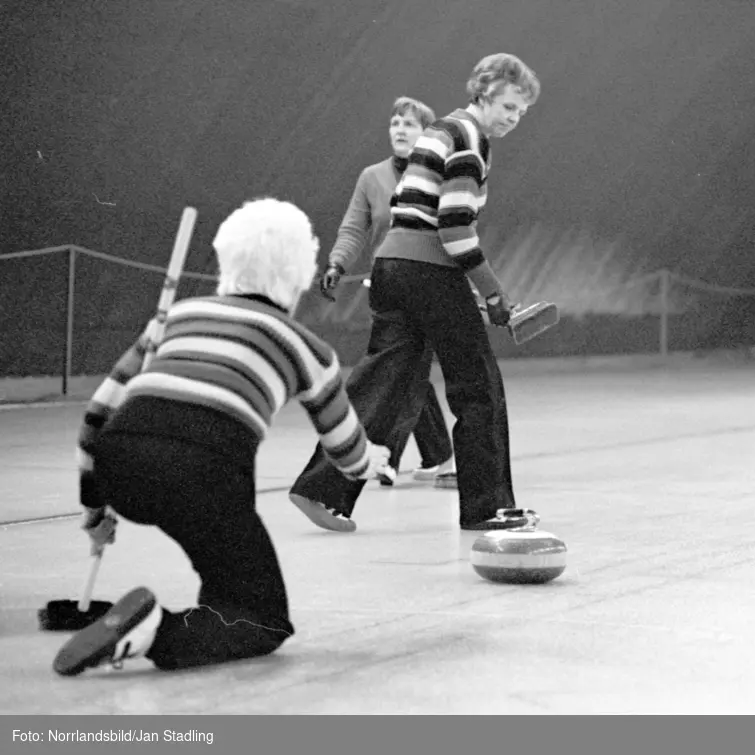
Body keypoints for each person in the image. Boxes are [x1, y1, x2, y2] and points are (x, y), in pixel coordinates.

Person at [52, 198, 393, 677]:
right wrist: (372, 461)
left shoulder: (176, 316)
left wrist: (95, 506)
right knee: (262, 619)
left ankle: (191, 618)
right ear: (299, 274)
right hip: (205, 475)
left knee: (226, 579)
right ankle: (151, 630)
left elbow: (96, 415)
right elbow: (346, 451)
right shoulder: (306, 348)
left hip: (121, 465)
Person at [289, 53, 541, 533]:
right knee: (478, 388)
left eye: (521, 112)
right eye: (509, 107)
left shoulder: (440, 131)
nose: (513, 119)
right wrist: (492, 292)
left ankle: (320, 489)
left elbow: (417, 214)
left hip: (391, 268)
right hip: (428, 269)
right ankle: (486, 508)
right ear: (484, 93)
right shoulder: (470, 140)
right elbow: (453, 227)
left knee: (384, 384)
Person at [320, 96, 457, 489]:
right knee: (407, 368)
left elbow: (454, 230)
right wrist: (336, 264)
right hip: (387, 287)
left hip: (431, 284)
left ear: (427, 135)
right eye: (395, 122)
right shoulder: (372, 177)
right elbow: (353, 227)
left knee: (404, 369)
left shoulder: (441, 176)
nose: (399, 129)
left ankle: (386, 456)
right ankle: (440, 457)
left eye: (409, 124)